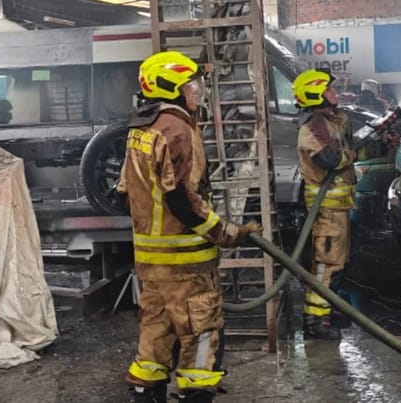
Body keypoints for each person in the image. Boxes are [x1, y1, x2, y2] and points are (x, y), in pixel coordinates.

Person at [119, 50, 261, 403]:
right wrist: (227, 233)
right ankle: (196, 392)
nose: (196, 92)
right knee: (201, 333)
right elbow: (182, 199)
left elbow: (124, 192)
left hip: (152, 265)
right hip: (188, 267)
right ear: (171, 88)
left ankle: (145, 393)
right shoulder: (178, 129)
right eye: (190, 85)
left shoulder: (140, 129)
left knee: (155, 333)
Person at [292, 68, 357, 340]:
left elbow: (351, 150)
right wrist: (351, 155)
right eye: (328, 89)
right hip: (326, 212)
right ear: (315, 94)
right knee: (325, 265)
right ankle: (315, 320)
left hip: (339, 209)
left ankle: (328, 311)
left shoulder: (332, 122)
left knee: (337, 263)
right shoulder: (312, 127)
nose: (334, 92)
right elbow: (331, 160)